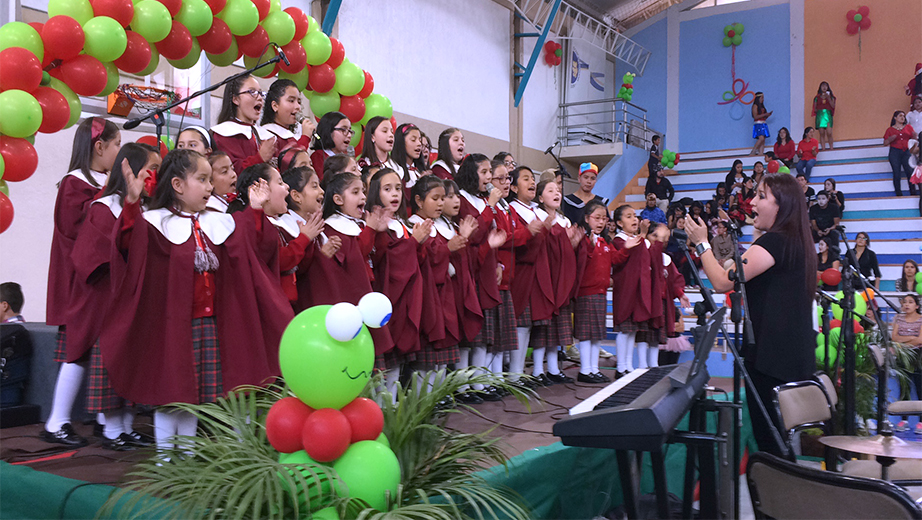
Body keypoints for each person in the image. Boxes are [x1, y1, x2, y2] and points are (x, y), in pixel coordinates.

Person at [103, 149, 294, 455]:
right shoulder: (155, 222)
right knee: (173, 393)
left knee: (194, 396)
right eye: (202, 180)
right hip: (174, 324)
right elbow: (129, 246)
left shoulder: (220, 221)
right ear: (178, 185)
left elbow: (250, 249)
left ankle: (189, 456)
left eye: (210, 180)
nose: (209, 187)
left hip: (213, 321)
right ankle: (167, 459)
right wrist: (130, 205)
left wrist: (256, 211)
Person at [685, 173, 817, 455]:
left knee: (771, 442)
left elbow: (722, 281)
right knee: (780, 439)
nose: (751, 201)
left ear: (781, 205)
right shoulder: (795, 241)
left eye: (760, 196)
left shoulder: (775, 242)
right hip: (790, 354)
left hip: (772, 357)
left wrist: (701, 243)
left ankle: (780, 495)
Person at [72, 143, 160, 450]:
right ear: (131, 171)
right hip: (110, 299)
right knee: (109, 363)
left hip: (136, 299)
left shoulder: (149, 210)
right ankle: (111, 429)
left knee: (131, 363)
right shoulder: (103, 207)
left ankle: (126, 426)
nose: (155, 176)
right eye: (152, 169)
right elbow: (94, 255)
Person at [43, 117, 121, 448]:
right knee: (77, 350)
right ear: (100, 147)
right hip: (83, 280)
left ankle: (108, 421)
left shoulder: (99, 184)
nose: (120, 152)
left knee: (102, 350)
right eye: (117, 145)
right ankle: (56, 420)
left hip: (102, 279)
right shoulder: (75, 184)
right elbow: (77, 233)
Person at [365, 168, 426, 396]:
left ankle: (392, 400)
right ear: (375, 193)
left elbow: (413, 261)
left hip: (406, 295)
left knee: (400, 356)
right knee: (386, 353)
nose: (395, 194)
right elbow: (387, 259)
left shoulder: (402, 223)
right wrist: (413, 244)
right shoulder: (373, 222)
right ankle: (382, 402)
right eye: (387, 189)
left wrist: (418, 244)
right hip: (385, 293)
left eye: (398, 188)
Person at [408, 176, 471, 387]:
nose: (441, 203)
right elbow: (422, 261)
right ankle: (424, 400)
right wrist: (447, 249)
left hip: (446, 294)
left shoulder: (440, 225)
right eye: (435, 198)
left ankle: (440, 394)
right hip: (428, 297)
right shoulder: (413, 226)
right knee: (428, 357)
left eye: (443, 198)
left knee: (444, 354)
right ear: (418, 200)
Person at [454, 155, 507, 400]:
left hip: (486, 266)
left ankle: (480, 383)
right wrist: (490, 207)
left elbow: (491, 235)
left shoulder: (484, 200)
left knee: (484, 335)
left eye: (489, 172)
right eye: (484, 172)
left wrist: (497, 264)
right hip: (470, 268)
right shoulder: (464, 200)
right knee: (470, 333)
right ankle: (463, 386)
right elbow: (473, 235)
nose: (488, 178)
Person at [232, 164, 322, 307]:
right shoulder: (254, 224)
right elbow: (279, 260)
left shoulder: (279, 224)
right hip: (269, 304)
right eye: (280, 182)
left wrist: (308, 239)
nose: (286, 187)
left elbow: (299, 267)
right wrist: (304, 238)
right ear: (262, 190)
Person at [529, 179, 580, 386]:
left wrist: (572, 243)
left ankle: (553, 368)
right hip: (545, 277)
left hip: (560, 277)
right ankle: (537, 370)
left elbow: (564, 252)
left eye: (558, 190)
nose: (556, 193)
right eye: (550, 190)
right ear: (540, 198)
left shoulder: (564, 220)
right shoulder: (539, 218)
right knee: (543, 327)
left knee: (557, 328)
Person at [507, 166, 553, 389]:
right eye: (525, 179)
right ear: (514, 187)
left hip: (539, 273)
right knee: (521, 325)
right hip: (523, 273)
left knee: (533, 325)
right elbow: (516, 245)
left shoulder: (537, 213)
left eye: (533, 178)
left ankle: (525, 372)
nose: (532, 182)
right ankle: (515, 374)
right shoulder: (512, 211)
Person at [573, 201, 629, 383]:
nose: (601, 222)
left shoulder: (605, 241)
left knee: (596, 333)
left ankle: (594, 369)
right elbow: (581, 259)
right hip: (586, 293)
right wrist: (589, 245)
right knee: (585, 334)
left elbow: (616, 258)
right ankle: (585, 370)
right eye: (597, 218)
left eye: (604, 219)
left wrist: (628, 248)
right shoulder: (583, 240)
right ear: (587, 218)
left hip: (601, 292)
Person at [610, 205, 663, 377]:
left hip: (638, 289)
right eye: (628, 216)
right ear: (619, 222)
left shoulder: (639, 240)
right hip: (625, 290)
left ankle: (628, 366)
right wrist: (642, 234)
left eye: (635, 216)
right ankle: (620, 367)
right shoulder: (619, 241)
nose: (634, 219)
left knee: (632, 330)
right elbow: (622, 259)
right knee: (624, 329)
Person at [211, 75, 276, 173]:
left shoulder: (265, 135)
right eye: (252, 92)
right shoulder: (223, 134)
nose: (260, 98)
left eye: (260, 93)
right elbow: (230, 173)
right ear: (235, 99)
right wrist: (260, 158)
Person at [256, 79, 312, 159]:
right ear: (275, 106)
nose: (298, 107)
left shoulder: (292, 135)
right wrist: (305, 138)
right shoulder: (268, 136)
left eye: (299, 102)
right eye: (291, 101)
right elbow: (290, 164)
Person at [891, 293, 922, 434]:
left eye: (910, 302)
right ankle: (903, 420)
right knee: (904, 387)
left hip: (918, 356)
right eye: (904, 302)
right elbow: (894, 338)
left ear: (916, 306)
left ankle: (921, 422)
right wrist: (911, 337)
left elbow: (920, 340)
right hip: (902, 356)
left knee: (920, 387)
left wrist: (904, 340)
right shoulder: (899, 318)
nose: (906, 305)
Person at [309, 112, 352, 180]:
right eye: (343, 129)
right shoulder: (318, 157)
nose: (349, 135)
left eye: (350, 131)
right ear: (328, 131)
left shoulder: (345, 157)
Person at [884, 110, 917, 197]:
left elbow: (914, 138)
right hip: (895, 152)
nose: (902, 118)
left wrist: (915, 136)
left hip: (906, 151)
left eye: (903, 116)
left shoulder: (908, 127)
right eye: (900, 116)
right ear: (895, 118)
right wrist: (891, 139)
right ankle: (898, 193)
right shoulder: (890, 129)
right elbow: (885, 143)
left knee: (909, 172)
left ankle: (913, 192)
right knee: (896, 173)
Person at [392, 123, 428, 196]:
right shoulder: (395, 171)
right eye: (413, 140)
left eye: (420, 140)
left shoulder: (419, 171)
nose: (419, 144)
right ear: (401, 142)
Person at [812, 82, 836, 150]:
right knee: (822, 133)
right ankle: (823, 148)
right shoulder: (817, 97)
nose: (824, 87)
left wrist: (828, 98)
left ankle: (831, 148)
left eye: (826, 86)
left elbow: (833, 106)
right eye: (822, 86)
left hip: (828, 115)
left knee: (829, 132)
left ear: (828, 87)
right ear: (820, 87)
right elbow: (815, 107)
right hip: (820, 115)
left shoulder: (831, 97)